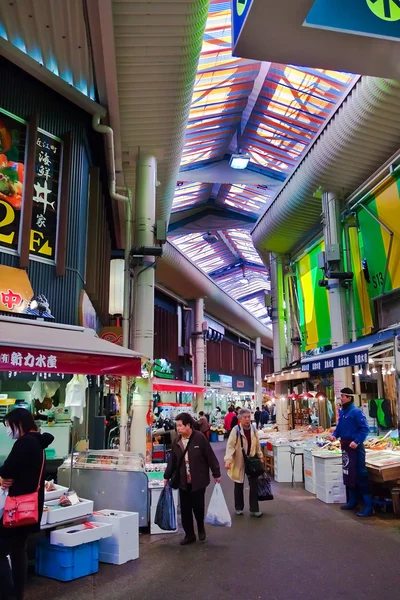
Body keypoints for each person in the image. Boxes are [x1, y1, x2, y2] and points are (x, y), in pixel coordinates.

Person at [0, 409, 54, 600]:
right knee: (17, 549)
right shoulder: (38, 442)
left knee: (2, 550)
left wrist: (1, 477)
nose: (7, 429)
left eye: (8, 425)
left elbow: (8, 469)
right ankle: (17, 594)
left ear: (19, 424)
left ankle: (7, 595)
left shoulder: (24, 443)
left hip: (16, 508)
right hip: (30, 508)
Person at [164, 413, 221, 545]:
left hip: (199, 480)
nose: (178, 428)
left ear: (188, 425)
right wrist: (166, 476)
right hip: (183, 480)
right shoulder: (177, 441)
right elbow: (172, 461)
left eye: (180, 425)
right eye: (176, 425)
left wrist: (216, 473)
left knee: (198, 507)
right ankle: (189, 534)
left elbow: (210, 456)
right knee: (185, 509)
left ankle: (200, 527)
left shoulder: (199, 438)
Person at [331, 388, 372, 517]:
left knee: (361, 475)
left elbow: (365, 429)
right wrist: (334, 435)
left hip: (355, 448)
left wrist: (357, 441)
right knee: (349, 474)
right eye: (341, 396)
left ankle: (368, 506)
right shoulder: (342, 412)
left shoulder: (356, 412)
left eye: (343, 396)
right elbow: (339, 428)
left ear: (349, 398)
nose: (341, 398)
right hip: (345, 447)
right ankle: (352, 501)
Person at [224, 408, 264, 518]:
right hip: (239, 460)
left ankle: (254, 509)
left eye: (248, 417)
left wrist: (260, 456)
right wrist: (228, 460)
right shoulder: (236, 430)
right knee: (238, 483)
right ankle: (239, 507)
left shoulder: (253, 429)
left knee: (254, 485)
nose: (247, 419)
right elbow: (230, 446)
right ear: (240, 419)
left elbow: (257, 444)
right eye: (245, 417)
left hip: (252, 460)